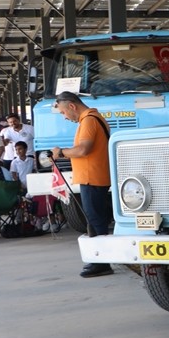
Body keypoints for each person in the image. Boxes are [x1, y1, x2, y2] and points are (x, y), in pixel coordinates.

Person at [50, 92, 114, 277]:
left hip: (92, 176)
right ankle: (99, 260)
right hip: (93, 175)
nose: (64, 117)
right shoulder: (93, 118)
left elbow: (83, 149)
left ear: (72, 106)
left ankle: (100, 262)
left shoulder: (88, 121)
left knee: (95, 221)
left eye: (63, 112)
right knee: (95, 220)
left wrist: (60, 152)